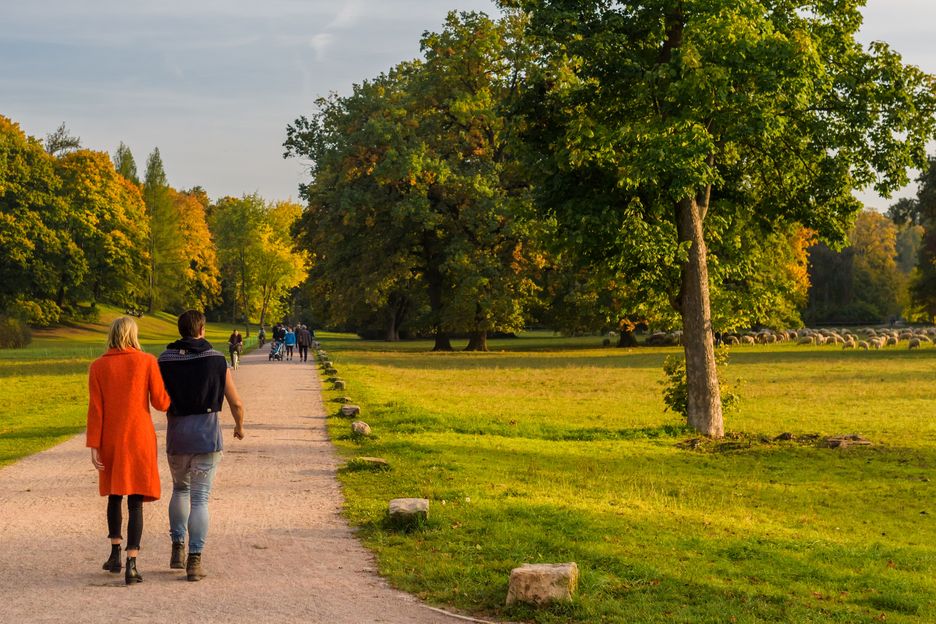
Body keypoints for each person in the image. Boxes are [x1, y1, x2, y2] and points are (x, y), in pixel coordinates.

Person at [158, 310, 245, 582]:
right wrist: (239, 427)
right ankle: (194, 560)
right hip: (207, 437)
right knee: (200, 498)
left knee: (179, 490)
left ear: (180, 329)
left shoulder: (165, 359)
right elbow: (236, 402)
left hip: (178, 436)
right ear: (202, 329)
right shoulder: (216, 359)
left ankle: (177, 547)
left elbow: (158, 397)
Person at [87, 316, 170, 585]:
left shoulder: (98, 366)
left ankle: (114, 554)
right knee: (135, 501)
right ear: (134, 335)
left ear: (111, 335)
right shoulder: (146, 361)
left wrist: (94, 445)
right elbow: (160, 402)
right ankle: (132, 563)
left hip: (110, 437)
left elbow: (96, 410)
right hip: (139, 437)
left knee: (114, 495)